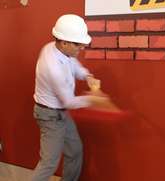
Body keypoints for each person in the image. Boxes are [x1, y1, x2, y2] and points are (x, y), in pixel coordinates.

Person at [32, 14, 111, 181]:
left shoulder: (57, 48)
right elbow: (68, 101)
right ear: (64, 42)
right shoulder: (52, 67)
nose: (81, 47)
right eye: (77, 44)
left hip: (61, 113)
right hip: (49, 116)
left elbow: (73, 63)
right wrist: (92, 100)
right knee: (49, 163)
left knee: (75, 151)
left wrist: (87, 76)